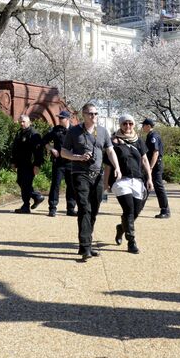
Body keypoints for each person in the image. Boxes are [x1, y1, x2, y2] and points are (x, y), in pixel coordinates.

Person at [62, 102, 121, 261]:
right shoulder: (74, 131)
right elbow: (63, 152)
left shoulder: (102, 131)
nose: (93, 116)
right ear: (83, 115)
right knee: (84, 208)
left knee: (94, 209)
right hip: (80, 174)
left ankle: (85, 244)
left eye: (95, 114)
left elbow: (109, 150)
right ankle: (86, 247)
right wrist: (78, 157)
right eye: (90, 114)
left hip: (98, 175)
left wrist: (117, 167)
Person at [107, 114, 153, 254]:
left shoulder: (138, 141)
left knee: (136, 212)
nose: (127, 126)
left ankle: (121, 227)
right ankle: (131, 241)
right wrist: (105, 184)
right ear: (120, 125)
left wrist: (149, 178)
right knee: (128, 210)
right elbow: (108, 164)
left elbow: (145, 160)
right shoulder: (113, 141)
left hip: (137, 180)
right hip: (121, 181)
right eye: (125, 124)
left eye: (130, 124)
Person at [42, 110, 76, 217]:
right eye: (59, 118)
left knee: (71, 186)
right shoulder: (55, 130)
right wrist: (51, 149)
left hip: (71, 162)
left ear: (67, 119)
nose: (59, 119)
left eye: (62, 118)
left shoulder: (75, 130)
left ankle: (70, 208)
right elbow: (44, 141)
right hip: (59, 163)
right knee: (55, 185)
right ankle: (52, 208)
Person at [11, 115, 45, 214]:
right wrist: (13, 162)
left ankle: (26, 206)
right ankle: (36, 196)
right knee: (20, 181)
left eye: (24, 122)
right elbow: (15, 149)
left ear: (29, 122)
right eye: (20, 122)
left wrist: (37, 165)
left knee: (26, 184)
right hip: (21, 163)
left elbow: (38, 151)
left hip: (30, 164)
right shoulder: (20, 133)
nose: (22, 123)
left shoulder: (34, 134)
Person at [141, 118, 170, 219]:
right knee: (146, 186)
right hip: (152, 165)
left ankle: (165, 210)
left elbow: (155, 152)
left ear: (148, 126)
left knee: (158, 187)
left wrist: (151, 167)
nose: (142, 127)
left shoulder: (153, 136)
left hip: (155, 165)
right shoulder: (150, 135)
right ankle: (139, 207)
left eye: (143, 125)